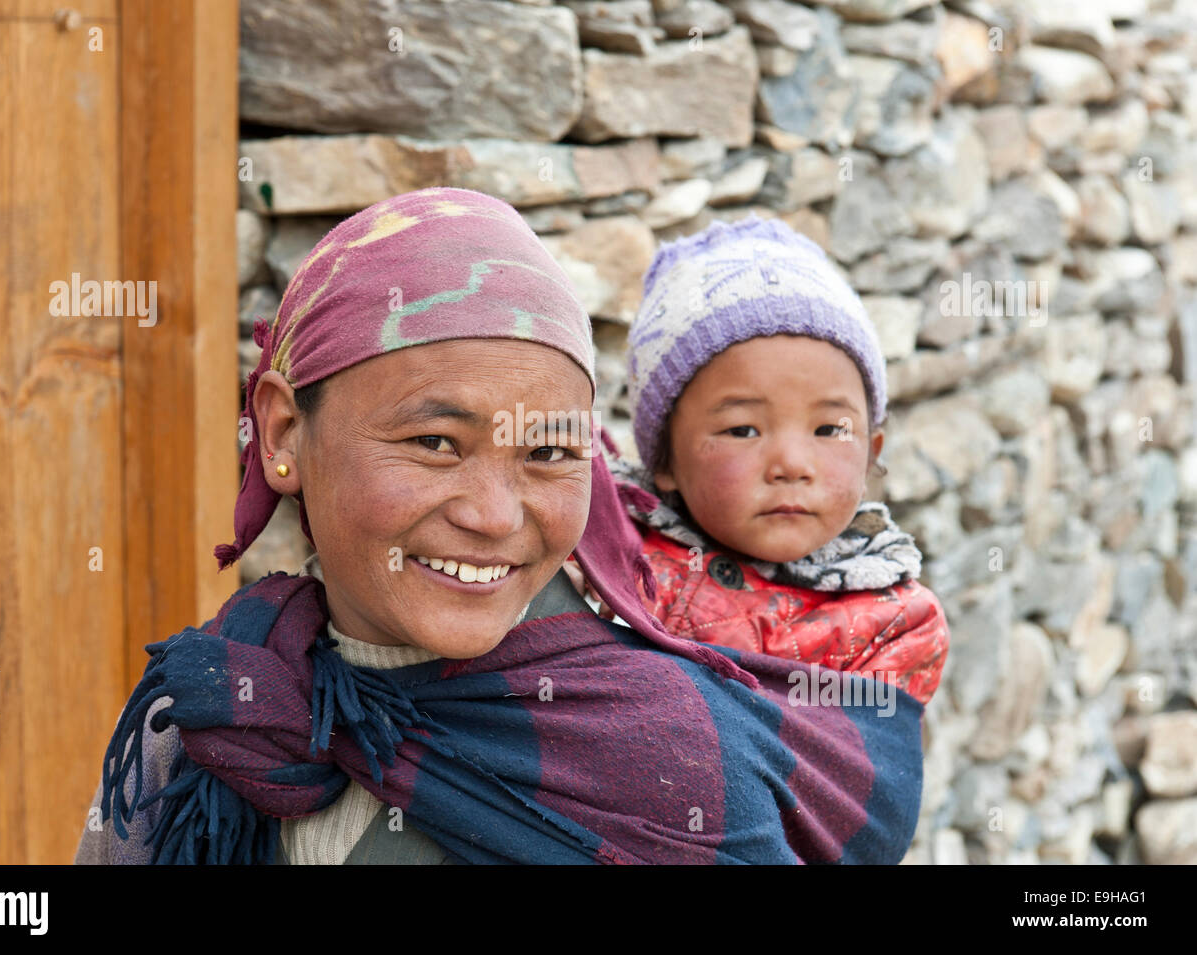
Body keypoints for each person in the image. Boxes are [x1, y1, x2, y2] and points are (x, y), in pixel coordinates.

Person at [73, 188, 926, 865]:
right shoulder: (217, 709)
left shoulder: (667, 767)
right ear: (286, 433)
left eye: (548, 452)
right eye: (436, 442)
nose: (493, 515)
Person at [597, 216, 949, 707]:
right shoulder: (609, 556)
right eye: (742, 430)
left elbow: (848, 777)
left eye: (829, 429)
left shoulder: (897, 624)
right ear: (665, 461)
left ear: (872, 453)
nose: (791, 465)